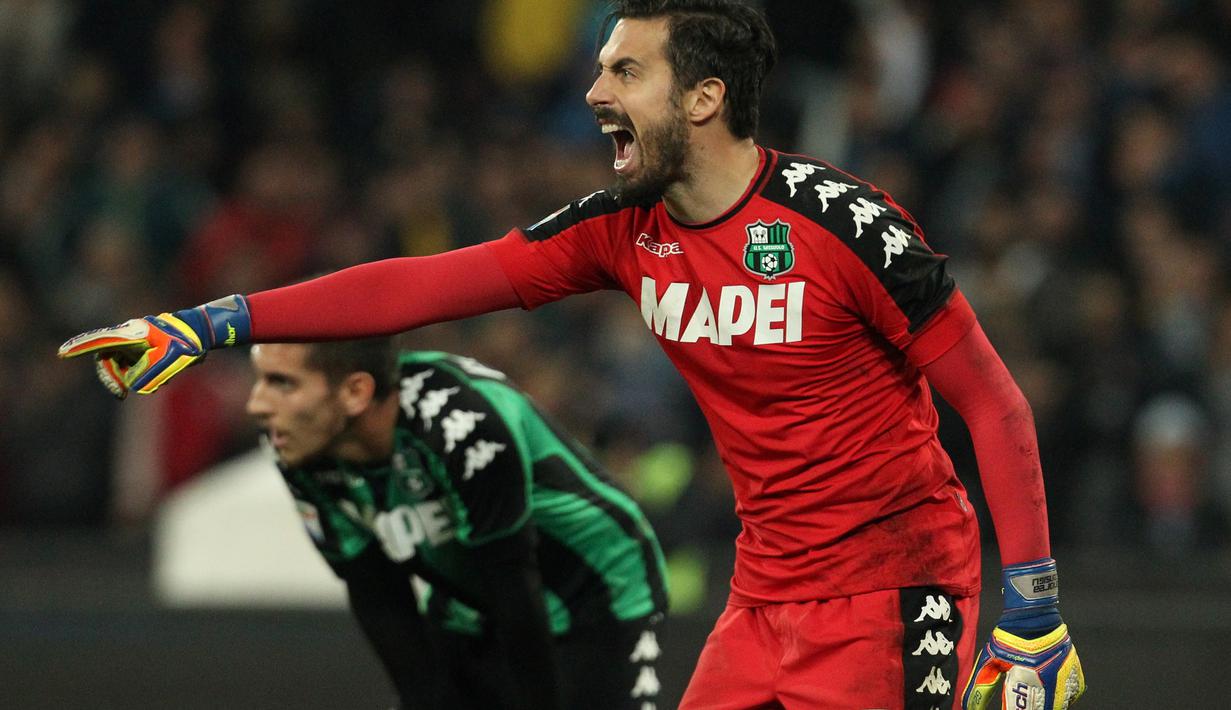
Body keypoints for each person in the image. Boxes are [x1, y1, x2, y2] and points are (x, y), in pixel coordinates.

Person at [60, 1, 1085, 707]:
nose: (594, 91)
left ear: (702, 98)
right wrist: (207, 323)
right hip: (760, 597)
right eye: (600, 66)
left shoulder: (846, 225)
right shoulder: (619, 229)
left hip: (896, 591)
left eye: (624, 70)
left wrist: (1031, 609)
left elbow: (992, 401)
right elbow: (421, 285)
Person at [246, 337, 668, 710]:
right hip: (471, 608)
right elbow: (375, 591)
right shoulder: (295, 444)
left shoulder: (462, 422)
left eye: (282, 383)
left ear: (356, 391)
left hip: (596, 596)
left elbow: (513, 585)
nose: (257, 405)